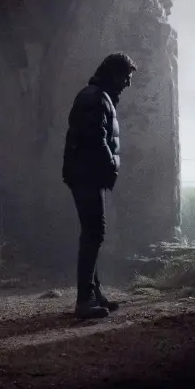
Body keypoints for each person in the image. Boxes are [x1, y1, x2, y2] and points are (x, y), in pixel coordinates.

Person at [62, 52, 137, 320]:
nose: (128, 83)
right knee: (94, 233)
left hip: (85, 173)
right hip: (87, 175)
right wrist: (110, 168)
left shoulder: (96, 96)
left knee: (92, 232)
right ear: (114, 74)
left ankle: (94, 295)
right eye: (127, 76)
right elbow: (97, 139)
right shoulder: (96, 98)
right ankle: (85, 300)